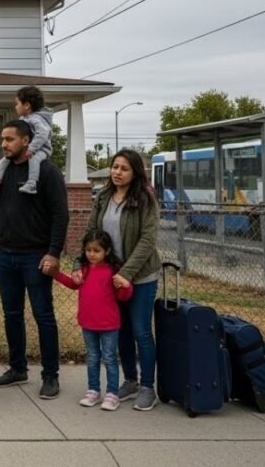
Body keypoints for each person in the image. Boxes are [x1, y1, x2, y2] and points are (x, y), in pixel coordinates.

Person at [0, 119, 69, 399]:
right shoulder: (4, 171)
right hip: (5, 255)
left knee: (44, 316)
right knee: (12, 315)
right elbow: (0, 211)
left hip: (36, 256)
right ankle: (18, 369)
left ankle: (50, 376)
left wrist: (53, 253)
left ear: (26, 140)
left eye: (9, 139)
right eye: (2, 139)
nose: (4, 144)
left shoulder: (46, 171)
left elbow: (60, 215)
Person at [73, 149, 161, 411]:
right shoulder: (102, 197)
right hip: (113, 277)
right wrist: (79, 263)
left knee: (140, 331)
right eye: (115, 167)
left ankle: (148, 387)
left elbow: (148, 240)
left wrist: (126, 273)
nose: (117, 172)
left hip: (141, 276)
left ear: (135, 172)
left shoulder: (145, 200)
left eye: (124, 168)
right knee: (120, 330)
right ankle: (130, 381)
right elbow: (91, 233)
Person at [51, 230, 133, 411]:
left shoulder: (114, 270)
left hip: (109, 324)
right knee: (93, 357)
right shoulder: (84, 270)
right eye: (88, 250)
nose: (92, 254)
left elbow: (123, 296)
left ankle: (112, 393)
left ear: (107, 251)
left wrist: (126, 286)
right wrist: (56, 274)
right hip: (88, 322)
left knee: (110, 358)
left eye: (96, 250)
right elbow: (73, 284)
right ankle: (93, 390)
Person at [0, 85, 53, 197]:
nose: (15, 106)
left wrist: (32, 148)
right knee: (3, 161)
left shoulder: (37, 119)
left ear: (26, 105)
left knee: (33, 159)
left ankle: (31, 183)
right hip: (32, 148)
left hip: (42, 149)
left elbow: (43, 134)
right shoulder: (23, 119)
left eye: (17, 103)